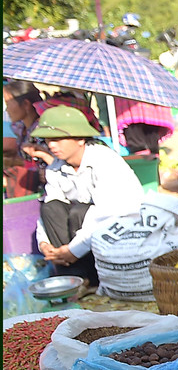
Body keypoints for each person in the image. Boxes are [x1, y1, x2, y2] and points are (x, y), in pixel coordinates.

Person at [30, 107, 146, 287]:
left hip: (121, 229)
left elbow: (103, 214)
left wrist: (72, 250)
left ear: (80, 139)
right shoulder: (55, 168)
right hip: (84, 235)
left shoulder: (104, 160)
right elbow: (48, 204)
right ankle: (73, 279)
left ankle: (91, 280)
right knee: (51, 208)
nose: (52, 146)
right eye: (48, 140)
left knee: (79, 213)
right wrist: (44, 243)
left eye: (58, 139)